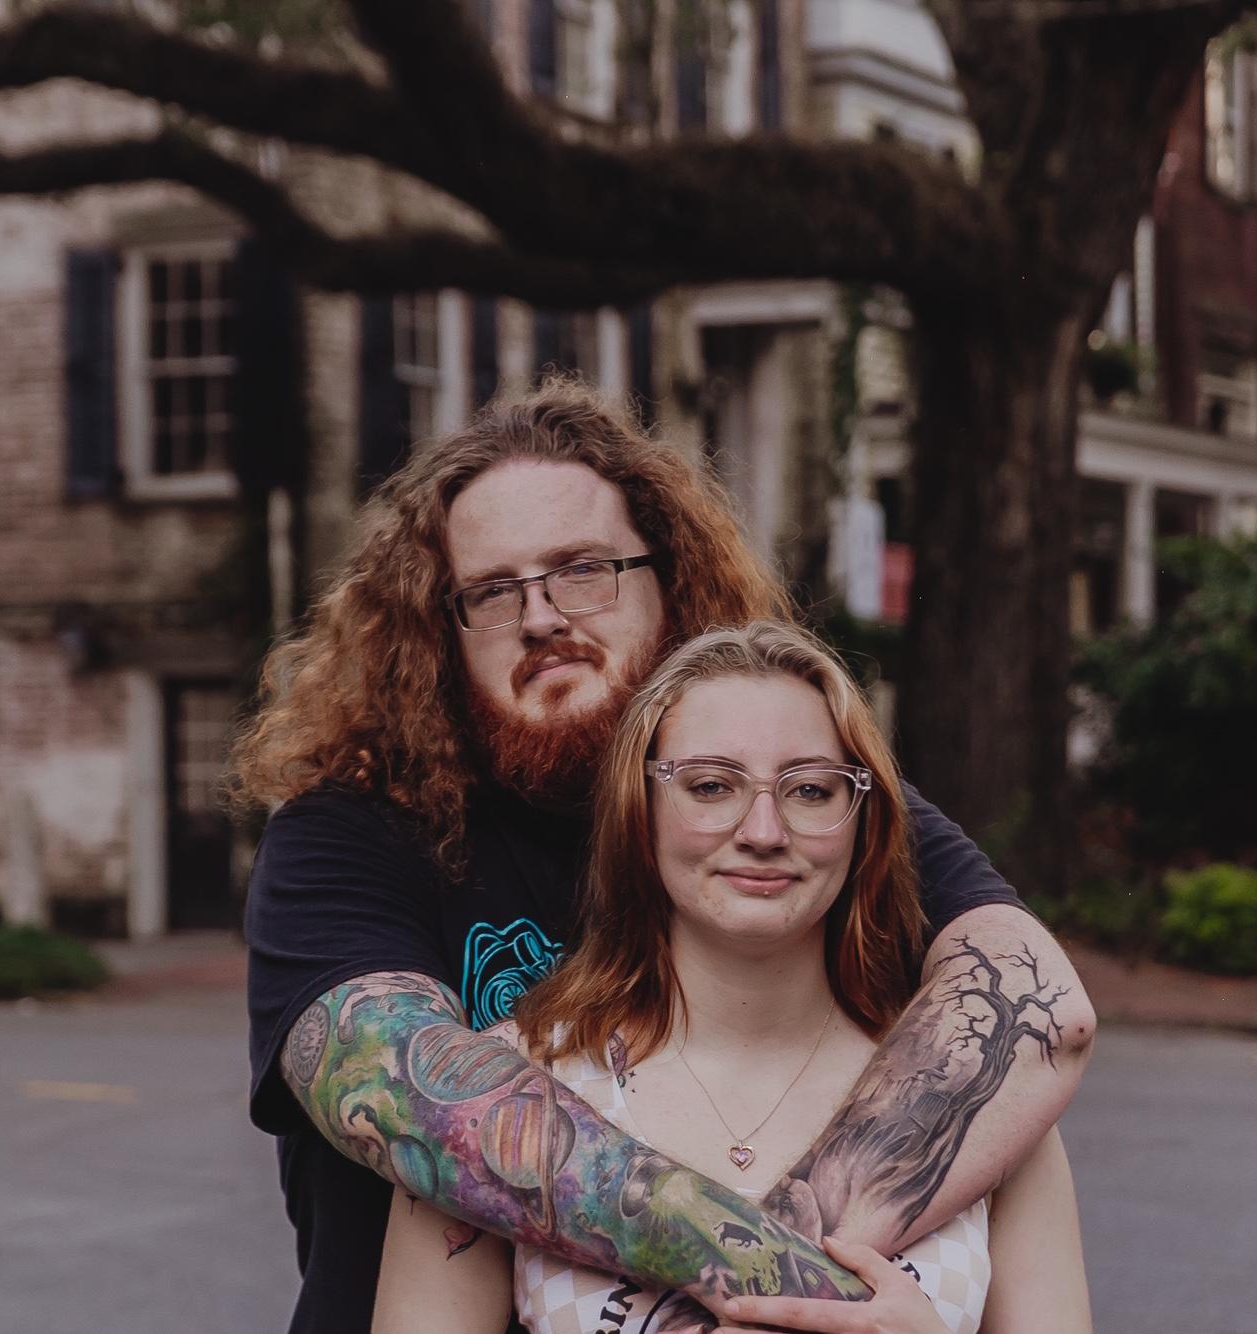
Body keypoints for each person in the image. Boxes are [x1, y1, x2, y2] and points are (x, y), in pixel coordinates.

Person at [234, 380, 1095, 1334]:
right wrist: (782, 1290)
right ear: (441, 631)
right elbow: (412, 1102)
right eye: (491, 592)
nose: (541, 616)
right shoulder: (349, 832)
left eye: (584, 570)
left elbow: (1037, 1011)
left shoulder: (799, 796)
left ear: (672, 583)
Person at [371, 622, 1092, 1333]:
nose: (764, 832)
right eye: (711, 786)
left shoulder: (983, 1097)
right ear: (639, 810)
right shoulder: (503, 1094)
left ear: (862, 820)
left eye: (811, 790)